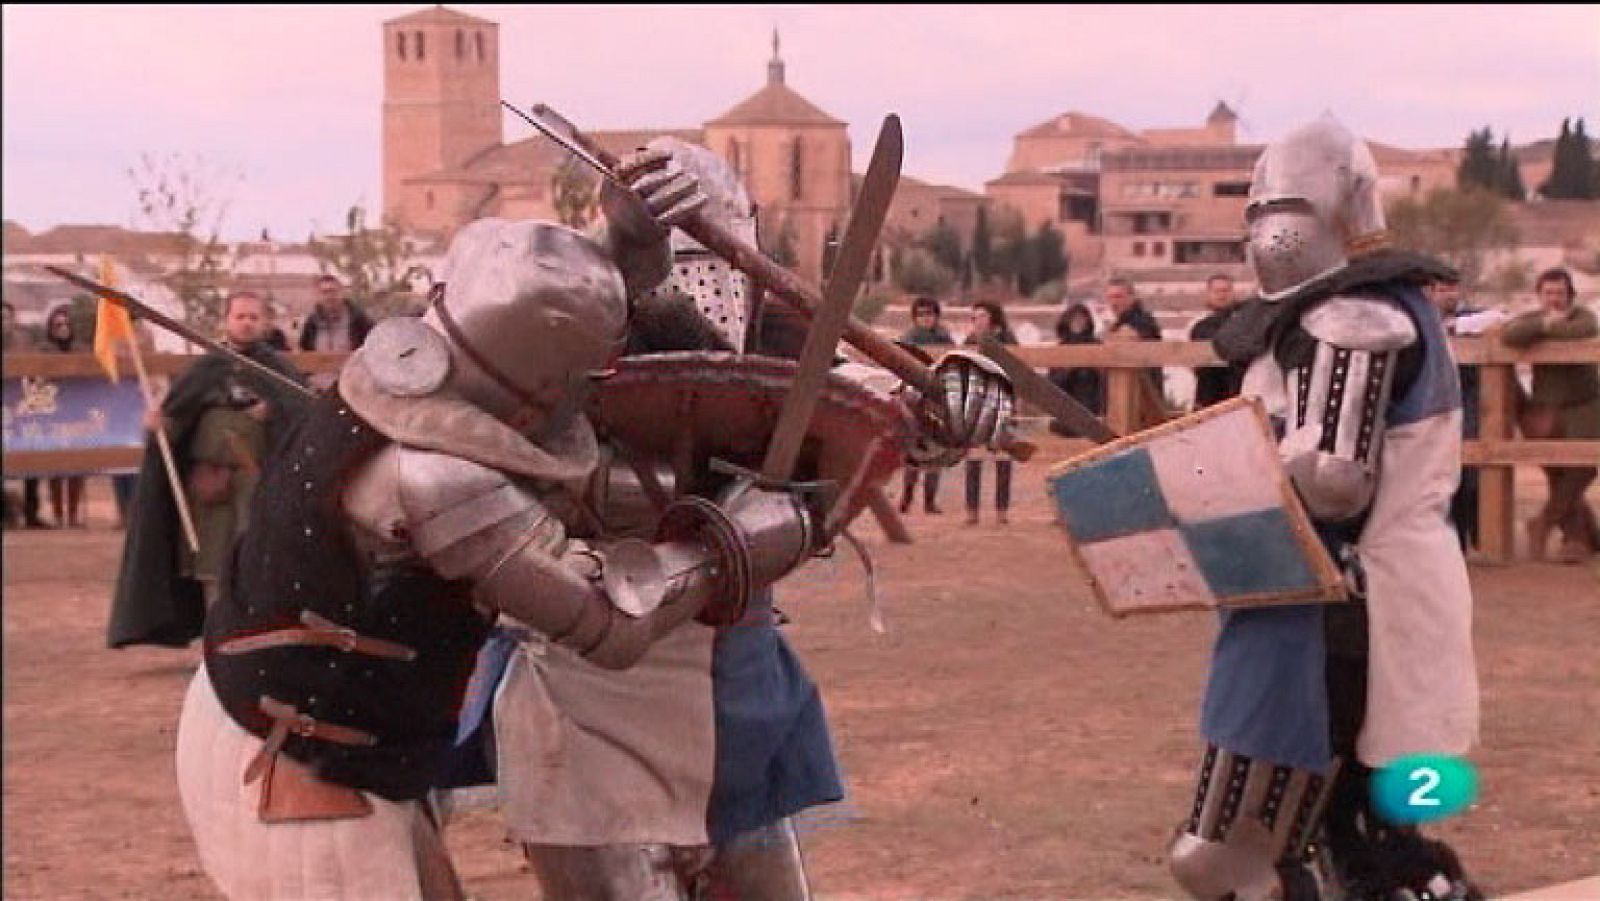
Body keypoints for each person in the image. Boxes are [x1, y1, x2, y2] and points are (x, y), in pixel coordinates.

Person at [479, 139, 1016, 900]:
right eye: (679, 258)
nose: (699, 284)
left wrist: (950, 398)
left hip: (736, 683)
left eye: (717, 255)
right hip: (582, 684)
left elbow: (868, 395)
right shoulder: (554, 330)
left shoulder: (778, 329)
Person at [1184, 116, 1481, 900]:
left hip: (1352, 593)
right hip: (1362, 583)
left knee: (1237, 853)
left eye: (1275, 209)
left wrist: (1219, 466)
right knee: (1358, 821)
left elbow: (1333, 480)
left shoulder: (1353, 319)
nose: (1267, 230)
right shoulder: (1380, 304)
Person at [107, 291, 309, 649]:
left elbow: (302, 417)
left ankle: (253, 641)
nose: (246, 323)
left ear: (264, 323)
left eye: (253, 317)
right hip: (209, 486)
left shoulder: (278, 371)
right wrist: (159, 425)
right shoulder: (206, 368)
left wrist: (273, 412)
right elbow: (176, 422)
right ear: (226, 321)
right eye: (240, 316)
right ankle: (214, 644)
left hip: (257, 484)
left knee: (254, 564)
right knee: (211, 564)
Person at [1499, 267, 1599, 564]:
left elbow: (1583, 330)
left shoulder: (1582, 316)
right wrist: (1545, 323)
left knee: (1583, 468)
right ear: (1539, 295)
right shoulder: (1533, 319)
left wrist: (1544, 330)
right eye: (1548, 293)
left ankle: (1543, 523)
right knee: (1557, 472)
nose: (1554, 298)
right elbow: (1510, 334)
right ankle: (1579, 539)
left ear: (1570, 295)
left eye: (1560, 293)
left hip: (1585, 405)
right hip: (1546, 408)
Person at [1427, 274, 1485, 553]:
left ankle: (1477, 535)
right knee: (1441, 473)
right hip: (1434, 402)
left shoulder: (1474, 316)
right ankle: (1455, 541)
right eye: (1441, 289)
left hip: (1469, 398)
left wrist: (1458, 325)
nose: (1446, 294)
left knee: (1470, 472)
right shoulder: (1425, 319)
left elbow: (1500, 319)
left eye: (1451, 288)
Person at [897, 296, 954, 514]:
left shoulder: (944, 338)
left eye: (929, 313)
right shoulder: (908, 339)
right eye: (921, 314)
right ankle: (907, 497)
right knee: (913, 449)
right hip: (913, 399)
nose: (925, 318)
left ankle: (930, 500)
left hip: (937, 400)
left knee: (936, 449)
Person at [963, 301, 1017, 525]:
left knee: (1003, 458)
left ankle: (1001, 511)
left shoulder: (1008, 341)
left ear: (993, 318)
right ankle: (972, 511)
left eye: (982, 316)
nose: (977, 321)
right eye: (974, 317)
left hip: (1003, 403)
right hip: (975, 404)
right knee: (973, 459)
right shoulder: (969, 342)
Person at [40, 306, 88, 528]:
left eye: (67, 324)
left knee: (77, 466)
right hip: (53, 413)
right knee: (55, 467)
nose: (63, 328)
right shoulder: (43, 350)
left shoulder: (81, 350)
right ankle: (58, 515)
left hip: (78, 413)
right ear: (51, 328)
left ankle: (73, 514)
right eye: (58, 325)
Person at [2, 301, 48, 529]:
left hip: (23, 411)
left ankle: (32, 513)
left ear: (13, 319)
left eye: (6, 317)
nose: (3, 322)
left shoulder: (24, 341)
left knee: (32, 463)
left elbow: (37, 369)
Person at [1187, 273, 1246, 409]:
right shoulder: (1196, 324)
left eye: (1226, 290)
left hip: (1238, 390)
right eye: (1217, 291)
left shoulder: (1244, 322)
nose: (1221, 295)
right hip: (1207, 391)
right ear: (1208, 293)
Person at [1047, 302, 1105, 434]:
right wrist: (1067, 370)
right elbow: (1052, 384)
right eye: (1074, 319)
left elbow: (1105, 381)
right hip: (1065, 410)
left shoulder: (1096, 345)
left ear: (1088, 321)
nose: (1078, 322)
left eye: (1082, 319)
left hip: (1092, 409)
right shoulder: (1060, 348)